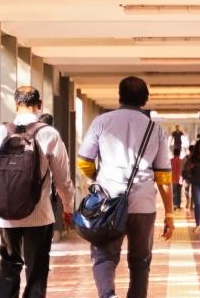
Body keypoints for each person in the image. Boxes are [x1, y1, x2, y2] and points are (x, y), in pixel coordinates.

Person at [75, 77, 176, 298]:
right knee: (140, 261)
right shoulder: (155, 129)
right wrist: (169, 214)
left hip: (107, 203)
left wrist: (98, 178)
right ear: (145, 99)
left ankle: (108, 295)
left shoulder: (102, 121)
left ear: (119, 96)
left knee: (104, 257)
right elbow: (163, 177)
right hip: (143, 205)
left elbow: (83, 161)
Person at [0, 86, 74, 298]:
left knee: (9, 264)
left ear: (16, 104)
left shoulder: (1, 132)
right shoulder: (49, 134)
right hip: (39, 214)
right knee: (37, 270)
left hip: (6, 214)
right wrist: (68, 206)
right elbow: (62, 179)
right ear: (39, 105)